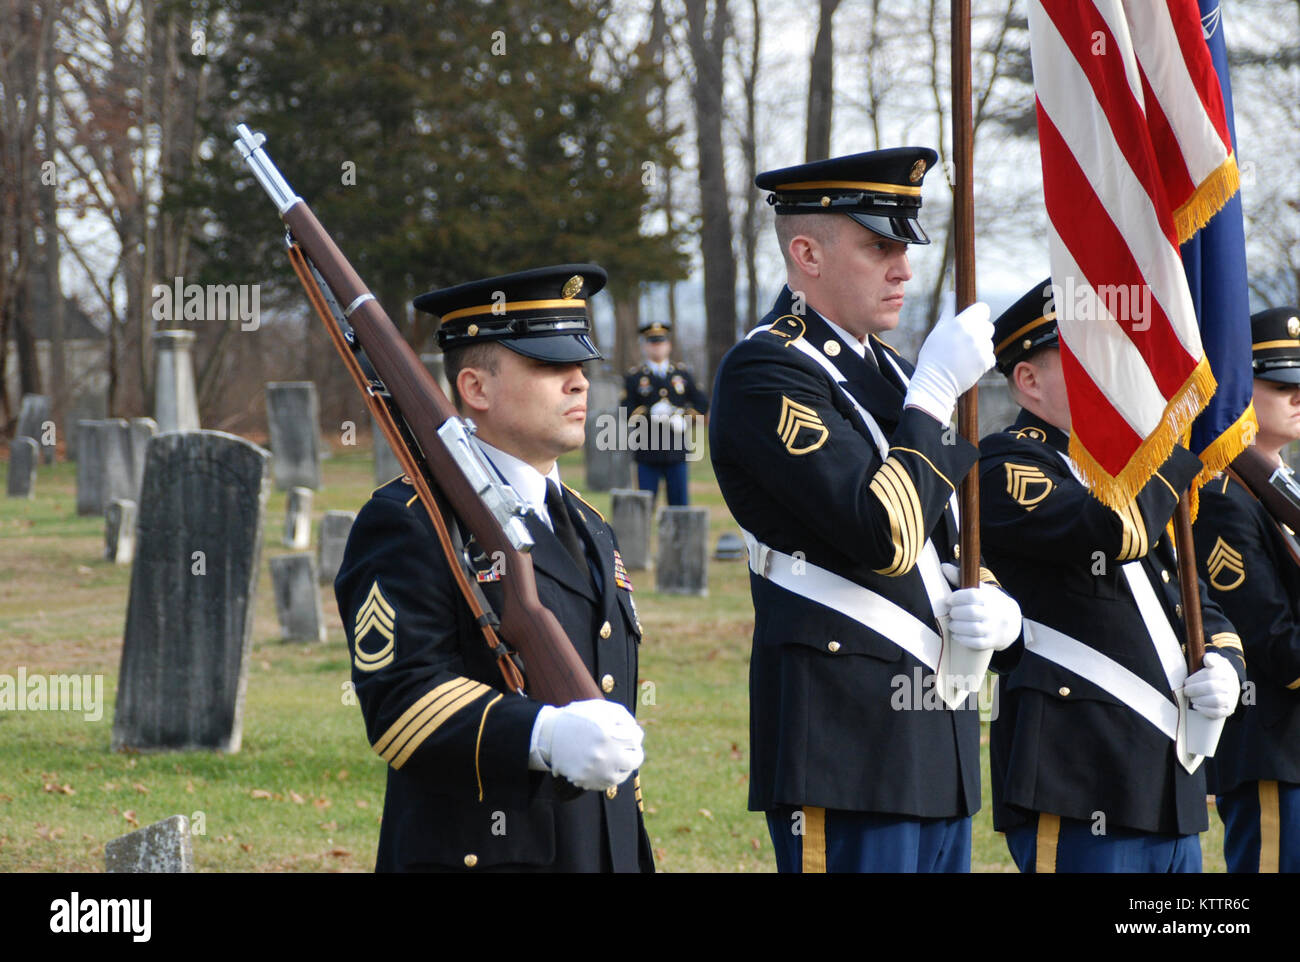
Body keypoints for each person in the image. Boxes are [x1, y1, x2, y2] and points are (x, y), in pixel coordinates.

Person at [709, 148, 1023, 872]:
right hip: (844, 739)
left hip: (934, 741)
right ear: (807, 252)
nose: (904, 269)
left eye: (905, 247)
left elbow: (942, 542)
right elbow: (882, 533)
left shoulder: (893, 373)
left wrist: (997, 608)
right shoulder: (768, 370)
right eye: (879, 246)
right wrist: (936, 396)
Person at [335, 264, 653, 873]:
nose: (579, 382)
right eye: (548, 366)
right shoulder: (410, 521)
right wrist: (540, 735)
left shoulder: (588, 525)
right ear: (476, 389)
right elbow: (401, 704)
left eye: (581, 365)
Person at [979, 279, 1247, 872]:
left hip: (1166, 786)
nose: (1118, 373)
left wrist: (1226, 663)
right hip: (1078, 778)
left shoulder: (1134, 477)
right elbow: (1109, 533)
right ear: (1029, 381)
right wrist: (1176, 442)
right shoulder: (1007, 464)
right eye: (1089, 358)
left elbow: (1193, 597)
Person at [1192, 305, 1300, 873]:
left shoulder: (1285, 492)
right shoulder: (1225, 500)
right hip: (1273, 750)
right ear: (1237, 389)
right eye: (1283, 384)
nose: (1299, 396)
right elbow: (1270, 641)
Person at [621, 321, 709, 506]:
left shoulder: (682, 374)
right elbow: (626, 410)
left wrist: (682, 415)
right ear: (645, 346)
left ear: (668, 345)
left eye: (660, 342)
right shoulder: (635, 377)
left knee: (679, 507)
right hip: (647, 451)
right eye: (652, 343)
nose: (657, 347)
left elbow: (701, 403)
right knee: (643, 507)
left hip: (675, 451)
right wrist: (649, 413)